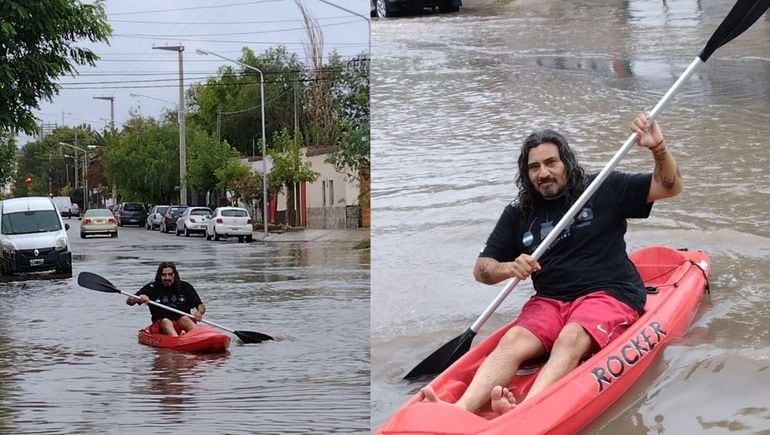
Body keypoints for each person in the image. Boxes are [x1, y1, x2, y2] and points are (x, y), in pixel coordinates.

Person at [420, 112, 682, 415]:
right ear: (526, 173)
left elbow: (669, 186)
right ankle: (459, 411)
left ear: (566, 163)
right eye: (534, 167)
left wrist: (657, 147)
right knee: (512, 341)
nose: (543, 173)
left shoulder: (602, 187)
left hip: (609, 293)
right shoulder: (518, 213)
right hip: (550, 300)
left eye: (551, 163)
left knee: (571, 337)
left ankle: (525, 412)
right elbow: (481, 269)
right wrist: (507, 268)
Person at [126, 261, 206, 336]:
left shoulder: (185, 287)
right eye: (164, 275)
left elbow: (200, 305)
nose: (167, 277)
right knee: (166, 321)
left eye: (170, 274)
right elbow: (129, 301)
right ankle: (176, 341)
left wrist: (199, 313)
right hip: (161, 325)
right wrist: (139, 298)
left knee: (185, 319)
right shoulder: (152, 287)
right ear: (159, 276)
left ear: (175, 274)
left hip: (181, 323)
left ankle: (201, 337)